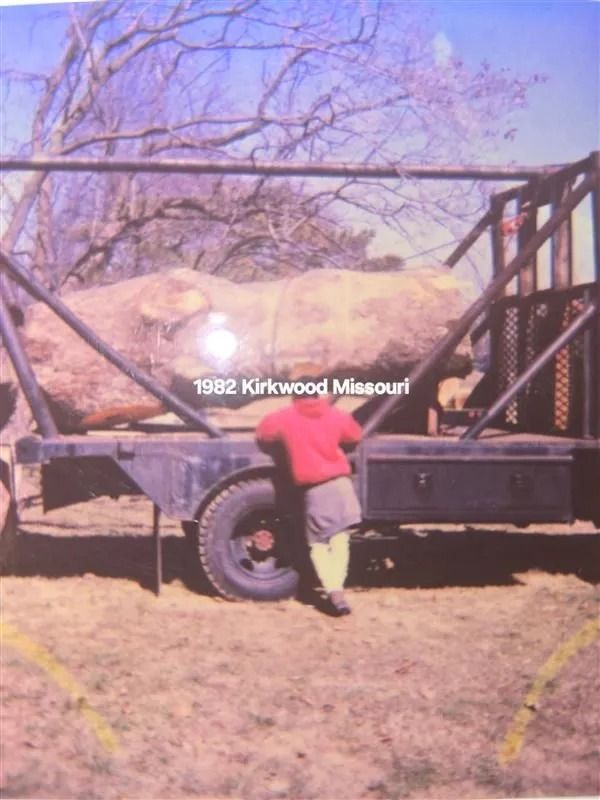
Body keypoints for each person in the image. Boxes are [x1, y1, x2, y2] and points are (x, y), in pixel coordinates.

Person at [256, 382, 363, 616]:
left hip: (316, 489)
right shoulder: (335, 414)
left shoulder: (286, 417)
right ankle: (338, 590)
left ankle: (334, 591)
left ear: (295, 394)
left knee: (318, 544)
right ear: (318, 393)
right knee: (339, 540)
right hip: (342, 486)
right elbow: (355, 434)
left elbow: (263, 431)